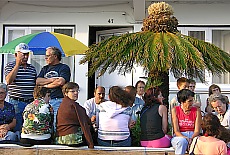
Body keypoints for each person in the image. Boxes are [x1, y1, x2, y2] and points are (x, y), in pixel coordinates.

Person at [36, 46, 71, 131]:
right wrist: (51, 80)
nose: (45, 58)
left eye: (48, 56)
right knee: (42, 123)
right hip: (43, 100)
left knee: (55, 123)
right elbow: (37, 81)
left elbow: (60, 82)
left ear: (55, 56)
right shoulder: (45, 68)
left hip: (57, 99)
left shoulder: (63, 68)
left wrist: (46, 86)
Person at [5, 43, 37, 132]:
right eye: (23, 54)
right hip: (16, 102)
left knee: (30, 125)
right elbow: (8, 81)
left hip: (30, 102)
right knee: (18, 126)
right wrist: (17, 65)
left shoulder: (32, 68)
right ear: (16, 55)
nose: (25, 57)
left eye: (27, 54)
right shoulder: (10, 66)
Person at [55, 82, 94, 148]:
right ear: (65, 93)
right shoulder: (74, 106)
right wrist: (90, 144)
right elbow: (84, 125)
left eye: (77, 91)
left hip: (59, 139)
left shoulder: (62, 104)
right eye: (72, 91)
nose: (76, 93)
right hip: (73, 139)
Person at [171, 89, 202, 155]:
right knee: (182, 141)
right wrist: (186, 138)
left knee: (198, 142)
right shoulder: (175, 110)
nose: (192, 103)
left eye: (192, 100)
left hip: (193, 134)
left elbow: (197, 131)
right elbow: (176, 131)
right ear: (182, 102)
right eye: (189, 101)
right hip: (179, 135)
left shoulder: (197, 111)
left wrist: (191, 139)